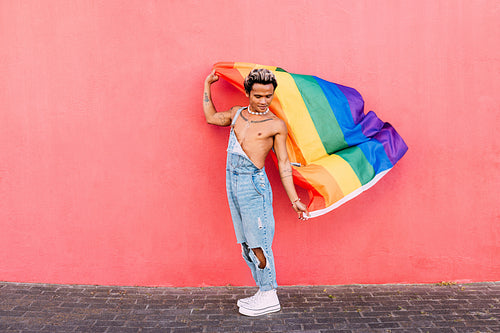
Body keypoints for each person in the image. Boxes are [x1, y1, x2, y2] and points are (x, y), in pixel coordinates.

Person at [203, 68, 309, 316]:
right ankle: (262, 290)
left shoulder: (275, 124)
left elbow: (283, 163)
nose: (263, 102)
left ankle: (270, 293)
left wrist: (295, 199)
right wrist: (207, 85)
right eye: (258, 96)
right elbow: (210, 117)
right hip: (232, 183)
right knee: (245, 244)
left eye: (268, 96)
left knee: (259, 242)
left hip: (254, 187)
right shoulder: (236, 114)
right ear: (248, 93)